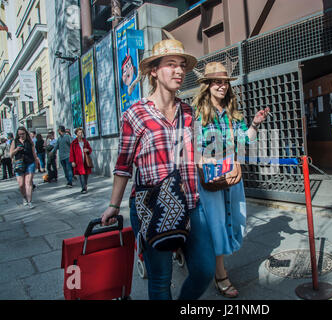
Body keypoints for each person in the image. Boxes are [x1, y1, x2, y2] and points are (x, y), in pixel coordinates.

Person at [100, 39, 216, 300]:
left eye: (182, 66)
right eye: (171, 64)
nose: (179, 71)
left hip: (190, 202)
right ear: (154, 70)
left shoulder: (188, 111)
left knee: (204, 270)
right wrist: (114, 205)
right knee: (161, 280)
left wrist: (213, 163)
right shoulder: (135, 114)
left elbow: (195, 153)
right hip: (153, 205)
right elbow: (123, 165)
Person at [192, 61, 269, 298]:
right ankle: (221, 275)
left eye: (225, 82)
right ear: (207, 86)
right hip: (210, 180)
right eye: (217, 82)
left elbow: (245, 141)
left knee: (231, 222)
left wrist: (255, 123)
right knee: (216, 225)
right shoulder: (196, 115)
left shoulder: (233, 115)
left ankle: (208, 263)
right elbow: (191, 146)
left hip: (232, 178)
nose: (222, 86)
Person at [9, 127, 39, 209]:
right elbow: (11, 155)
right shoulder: (14, 142)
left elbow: (34, 153)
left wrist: (36, 162)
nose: (21, 136)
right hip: (19, 165)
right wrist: (16, 149)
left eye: (23, 134)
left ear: (26, 133)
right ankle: (24, 197)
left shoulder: (30, 141)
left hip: (30, 163)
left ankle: (29, 201)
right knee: (21, 185)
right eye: (19, 134)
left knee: (28, 183)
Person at [69, 128, 92, 194]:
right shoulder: (74, 143)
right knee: (81, 174)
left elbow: (90, 149)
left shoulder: (85, 141)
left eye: (81, 133)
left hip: (85, 160)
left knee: (86, 174)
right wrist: (72, 161)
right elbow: (71, 153)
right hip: (78, 161)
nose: (80, 134)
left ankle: (85, 184)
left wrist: (87, 150)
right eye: (79, 133)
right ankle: (83, 188)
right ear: (76, 134)